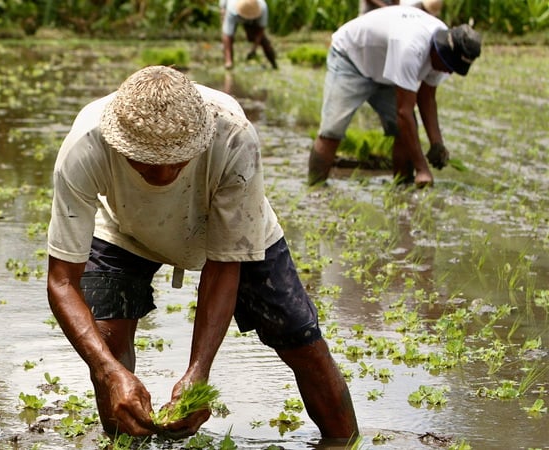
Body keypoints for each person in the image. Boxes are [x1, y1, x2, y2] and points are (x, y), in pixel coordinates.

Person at [46, 65, 359, 440]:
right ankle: (126, 441)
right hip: (124, 226)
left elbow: (225, 265)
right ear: (118, 143)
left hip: (220, 220)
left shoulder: (233, 136)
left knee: (301, 340)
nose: (163, 177)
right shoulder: (86, 144)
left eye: (177, 161)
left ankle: (345, 442)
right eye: (145, 162)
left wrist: (199, 372)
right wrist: (106, 370)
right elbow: (62, 280)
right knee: (108, 343)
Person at [308, 6, 481, 187]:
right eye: (447, 65)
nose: (447, 71)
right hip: (351, 58)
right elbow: (403, 112)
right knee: (332, 131)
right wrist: (422, 168)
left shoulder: (445, 52)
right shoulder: (411, 48)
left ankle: (402, 188)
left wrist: (436, 143)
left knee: (403, 132)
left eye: (452, 68)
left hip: (386, 69)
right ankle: (315, 190)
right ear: (439, 50)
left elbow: (427, 98)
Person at [219, 0, 278, 70]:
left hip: (254, 18)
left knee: (261, 39)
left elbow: (260, 31)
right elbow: (227, 35)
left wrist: (254, 49)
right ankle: (229, 62)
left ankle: (274, 63)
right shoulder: (231, 8)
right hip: (233, 12)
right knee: (229, 38)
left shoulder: (262, 7)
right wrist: (228, 61)